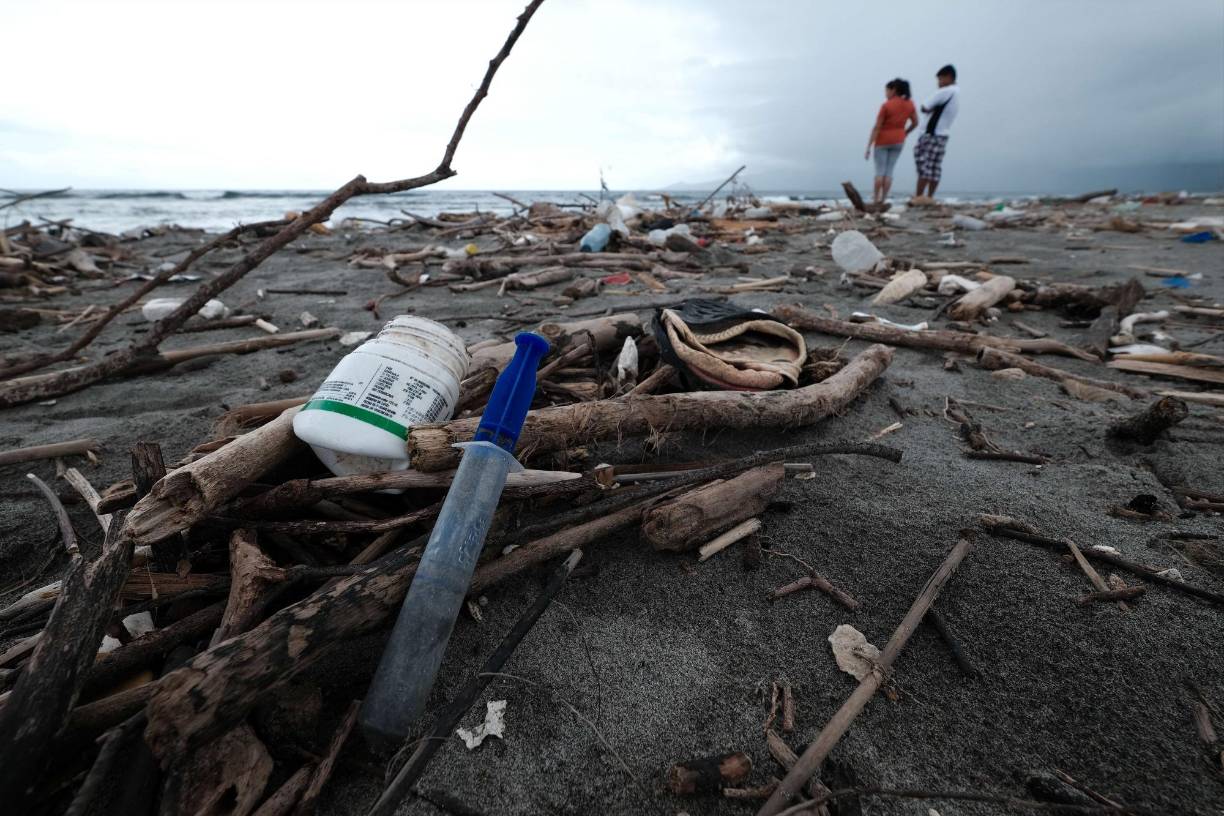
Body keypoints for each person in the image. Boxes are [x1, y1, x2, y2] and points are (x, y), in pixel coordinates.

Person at [864, 78, 917, 204]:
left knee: (879, 171)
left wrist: (868, 146)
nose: (886, 93)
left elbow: (877, 127)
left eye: (887, 90)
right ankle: (883, 199)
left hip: (883, 140)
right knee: (889, 171)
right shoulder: (910, 104)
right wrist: (905, 132)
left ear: (894, 90)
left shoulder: (887, 105)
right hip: (899, 139)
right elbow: (916, 122)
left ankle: (876, 199)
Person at [913, 64, 961, 199]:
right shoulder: (956, 92)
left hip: (931, 134)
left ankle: (919, 196)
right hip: (943, 134)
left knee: (924, 165)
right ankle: (929, 197)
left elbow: (924, 107)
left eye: (940, 79)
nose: (939, 83)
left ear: (949, 77)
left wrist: (930, 109)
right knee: (935, 167)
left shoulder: (945, 91)